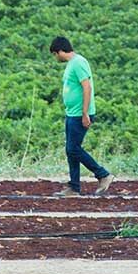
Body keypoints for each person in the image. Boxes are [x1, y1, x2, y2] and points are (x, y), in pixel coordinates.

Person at [49, 36, 115, 197]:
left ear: (59, 51)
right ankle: (74, 187)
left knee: (73, 149)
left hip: (80, 114)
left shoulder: (78, 62)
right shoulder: (72, 64)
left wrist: (85, 113)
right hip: (72, 113)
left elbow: (87, 88)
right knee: (70, 150)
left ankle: (103, 175)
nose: (55, 58)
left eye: (54, 54)